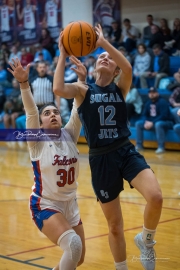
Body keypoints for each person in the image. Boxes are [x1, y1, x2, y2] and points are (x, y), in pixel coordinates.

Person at [53, 24, 163, 270]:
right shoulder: (83, 90)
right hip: (101, 159)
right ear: (94, 68)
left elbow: (129, 67)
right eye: (100, 56)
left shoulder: (120, 88)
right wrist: (62, 53)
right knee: (114, 226)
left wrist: (102, 43)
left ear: (115, 71)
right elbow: (58, 88)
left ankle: (146, 241)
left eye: (109, 58)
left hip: (125, 151)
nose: (104, 57)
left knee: (155, 197)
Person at [7, 58, 86, 270]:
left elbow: (78, 108)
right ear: (40, 123)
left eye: (56, 112)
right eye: (47, 113)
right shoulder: (37, 140)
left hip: (71, 204)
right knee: (73, 245)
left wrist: (81, 80)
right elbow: (31, 111)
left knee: (78, 258)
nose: (53, 115)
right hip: (45, 204)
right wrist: (24, 84)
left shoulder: (70, 134)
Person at [135, 87, 174, 154]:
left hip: (167, 122)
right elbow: (144, 115)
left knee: (158, 124)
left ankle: (161, 147)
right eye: (150, 93)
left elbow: (164, 116)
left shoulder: (162, 102)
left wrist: (152, 122)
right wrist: (145, 122)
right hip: (152, 123)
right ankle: (139, 145)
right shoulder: (148, 103)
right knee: (138, 123)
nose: (152, 94)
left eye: (153, 93)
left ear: (157, 93)